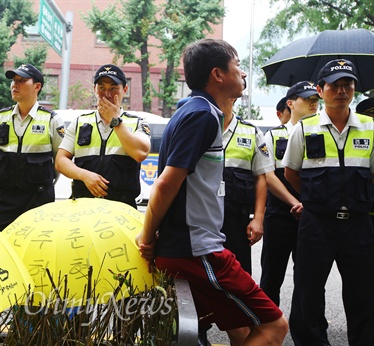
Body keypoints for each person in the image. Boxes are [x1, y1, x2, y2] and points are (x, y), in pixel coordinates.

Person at [136, 38, 288, 345]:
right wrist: (147, 237)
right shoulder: (202, 115)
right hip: (198, 251)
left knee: (240, 328)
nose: (243, 74)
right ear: (218, 74)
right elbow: (165, 183)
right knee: (275, 326)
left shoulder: (193, 110)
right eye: (237, 66)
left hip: (192, 248)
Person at [283, 59, 374, 345]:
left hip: (359, 224)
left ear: (355, 89)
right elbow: (291, 173)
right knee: (308, 292)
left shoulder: (371, 127)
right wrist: (315, 200)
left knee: (364, 294)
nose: (342, 90)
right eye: (334, 85)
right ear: (321, 91)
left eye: (347, 84)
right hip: (317, 224)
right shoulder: (305, 128)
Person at [55, 64, 151, 208]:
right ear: (95, 89)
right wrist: (84, 175)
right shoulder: (80, 122)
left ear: (125, 90)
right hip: (83, 207)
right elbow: (60, 161)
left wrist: (115, 121)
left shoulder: (137, 122)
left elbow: (140, 153)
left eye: (113, 88)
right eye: (102, 88)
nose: (107, 94)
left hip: (122, 208)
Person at [260, 81, 319, 306]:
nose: (313, 102)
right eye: (307, 98)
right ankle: (267, 325)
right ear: (291, 103)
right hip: (280, 215)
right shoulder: (274, 136)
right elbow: (268, 175)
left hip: (313, 214)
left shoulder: (322, 133)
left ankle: (308, 328)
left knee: (310, 278)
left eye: (316, 98)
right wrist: (295, 202)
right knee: (272, 276)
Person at [0, 63, 65, 231]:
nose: (14, 85)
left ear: (37, 87)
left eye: (22, 80)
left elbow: (59, 160)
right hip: (6, 198)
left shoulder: (51, 120)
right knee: (2, 246)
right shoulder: (1, 117)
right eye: (14, 80)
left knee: (39, 249)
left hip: (38, 199)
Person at [220, 99, 272, 275]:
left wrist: (258, 219)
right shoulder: (199, 126)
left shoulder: (251, 131)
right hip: (202, 219)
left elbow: (261, 178)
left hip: (237, 220)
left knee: (237, 276)